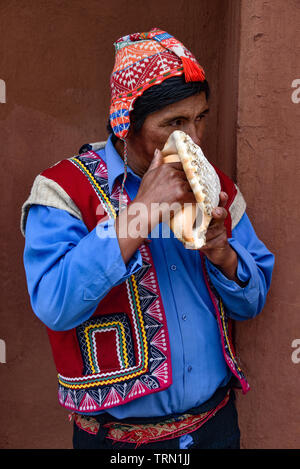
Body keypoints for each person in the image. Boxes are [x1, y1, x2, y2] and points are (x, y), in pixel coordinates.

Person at [21, 28, 275, 450]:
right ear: (127, 126)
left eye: (200, 118)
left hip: (215, 427)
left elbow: (253, 301)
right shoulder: (62, 190)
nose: (193, 138)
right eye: (174, 123)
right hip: (119, 443)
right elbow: (54, 304)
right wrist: (140, 212)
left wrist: (223, 255)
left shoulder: (218, 188)